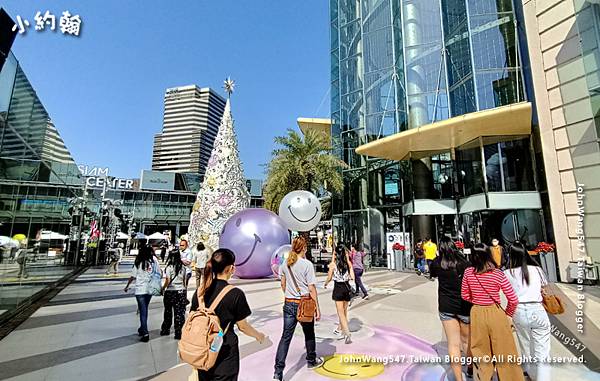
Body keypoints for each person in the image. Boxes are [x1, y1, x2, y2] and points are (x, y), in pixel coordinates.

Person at [190, 248, 266, 381]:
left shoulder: (200, 292)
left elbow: (191, 318)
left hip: (203, 353)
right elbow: (243, 326)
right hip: (225, 353)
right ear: (230, 268)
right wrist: (258, 336)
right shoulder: (235, 294)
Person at [461, 243, 523, 381]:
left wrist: (477, 299)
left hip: (477, 311)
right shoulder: (497, 274)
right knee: (505, 350)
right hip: (495, 312)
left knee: (480, 351)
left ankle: (483, 377)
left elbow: (464, 295)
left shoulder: (468, 272)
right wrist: (508, 314)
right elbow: (513, 299)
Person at [274, 237, 323, 381]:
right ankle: (311, 360)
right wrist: (317, 308)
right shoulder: (307, 265)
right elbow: (312, 288)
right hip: (304, 304)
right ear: (304, 248)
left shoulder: (285, 264)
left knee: (285, 337)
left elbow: (282, 284)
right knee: (309, 333)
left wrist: (290, 295)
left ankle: (278, 372)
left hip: (289, 303)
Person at [505, 242, 551, 381]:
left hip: (518, 310)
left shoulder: (507, 273)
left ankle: (529, 371)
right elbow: (544, 287)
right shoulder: (537, 269)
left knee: (524, 341)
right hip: (537, 308)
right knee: (542, 350)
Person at [429, 236, 472, 380]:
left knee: (453, 344)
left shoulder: (437, 263)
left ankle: (459, 378)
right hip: (464, 306)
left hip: (446, 306)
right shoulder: (464, 263)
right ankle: (471, 367)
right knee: (466, 341)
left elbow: (433, 275)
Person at [124, 244, 161, 342]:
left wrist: (127, 286)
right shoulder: (153, 261)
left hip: (140, 290)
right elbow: (159, 273)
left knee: (142, 311)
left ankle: (145, 333)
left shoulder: (138, 261)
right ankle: (142, 328)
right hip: (149, 289)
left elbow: (133, 276)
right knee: (144, 309)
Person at [324, 244, 355, 344]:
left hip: (338, 288)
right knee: (345, 311)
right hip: (346, 287)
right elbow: (352, 276)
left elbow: (329, 277)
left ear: (336, 254)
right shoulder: (348, 264)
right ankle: (340, 328)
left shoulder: (333, 264)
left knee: (340, 313)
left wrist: (326, 283)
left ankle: (347, 334)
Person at [160, 249, 187, 340]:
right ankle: (179, 332)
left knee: (168, 311)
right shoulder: (183, 267)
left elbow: (168, 280)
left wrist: (163, 288)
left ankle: (166, 329)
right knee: (179, 312)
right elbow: (184, 280)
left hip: (171, 291)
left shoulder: (169, 267)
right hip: (181, 291)